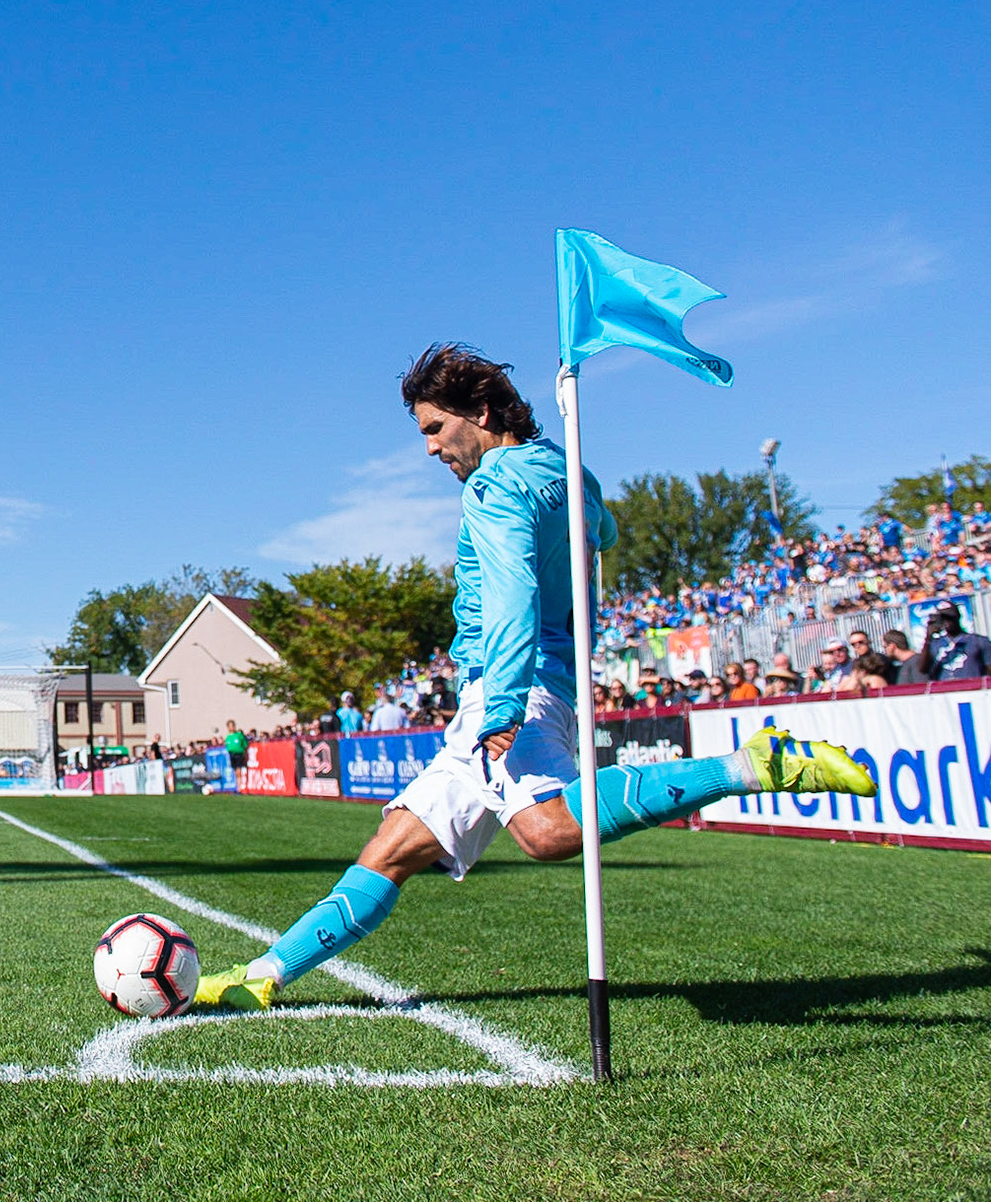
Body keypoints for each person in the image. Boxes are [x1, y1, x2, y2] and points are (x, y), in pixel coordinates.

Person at [195, 342, 877, 1011]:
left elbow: (513, 592)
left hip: (514, 682)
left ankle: (752, 766)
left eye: (436, 429)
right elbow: (604, 532)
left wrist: (504, 704)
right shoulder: (566, 467)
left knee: (546, 831)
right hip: (538, 677)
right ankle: (265, 975)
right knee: (393, 848)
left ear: (483, 412)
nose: (431, 449)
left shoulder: (493, 487)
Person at [918, 603, 991, 682]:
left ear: (958, 617)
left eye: (949, 618)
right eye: (943, 618)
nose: (946, 621)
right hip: (944, 690)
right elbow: (923, 670)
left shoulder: (978, 641)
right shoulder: (935, 643)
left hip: (972, 689)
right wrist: (928, 639)